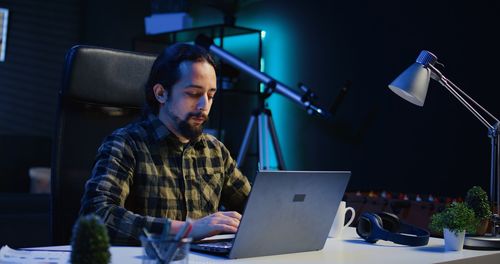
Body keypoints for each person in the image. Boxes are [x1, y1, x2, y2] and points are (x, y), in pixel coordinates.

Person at [80, 43, 251, 245]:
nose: (204, 105)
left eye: (210, 95)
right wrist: (189, 229)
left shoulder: (215, 151)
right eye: (194, 93)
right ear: (161, 93)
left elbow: (254, 207)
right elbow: (97, 215)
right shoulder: (125, 144)